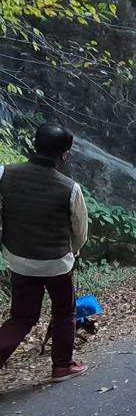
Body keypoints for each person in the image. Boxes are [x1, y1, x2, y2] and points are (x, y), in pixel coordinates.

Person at [0, 123, 89, 381]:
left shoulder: (5, 173)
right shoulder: (70, 188)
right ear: (64, 155)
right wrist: (72, 252)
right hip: (57, 263)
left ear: (34, 145)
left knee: (22, 316)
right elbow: (80, 231)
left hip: (18, 259)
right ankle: (62, 365)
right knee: (64, 312)